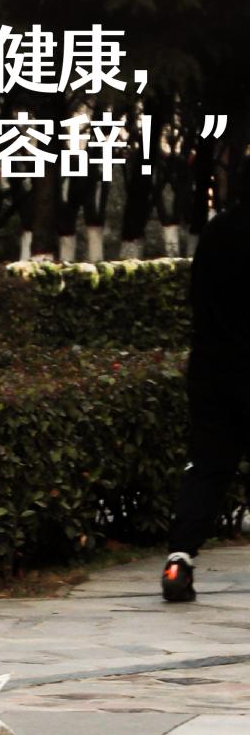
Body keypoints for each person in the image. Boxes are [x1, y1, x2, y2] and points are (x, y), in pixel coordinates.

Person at [162, 159, 250, 602]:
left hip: (213, 369)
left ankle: (179, 560)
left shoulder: (217, 233)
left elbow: (196, 298)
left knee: (207, 466)